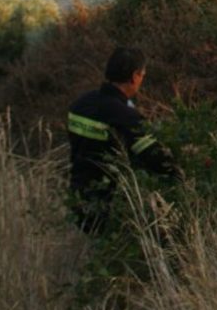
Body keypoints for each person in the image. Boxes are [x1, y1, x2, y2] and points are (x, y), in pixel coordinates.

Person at [67, 47, 177, 234]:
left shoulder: (80, 104)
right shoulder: (126, 116)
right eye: (142, 75)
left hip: (78, 197)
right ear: (134, 76)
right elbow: (157, 159)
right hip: (108, 205)